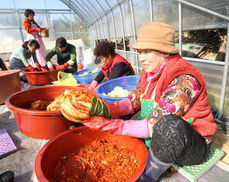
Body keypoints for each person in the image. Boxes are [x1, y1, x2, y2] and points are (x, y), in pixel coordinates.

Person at [79, 22, 217, 181]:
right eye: (139, 52)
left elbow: (156, 124)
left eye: (147, 51)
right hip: (160, 135)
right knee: (126, 120)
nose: (142, 58)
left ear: (165, 52)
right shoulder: (148, 72)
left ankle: (147, 177)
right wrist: (103, 110)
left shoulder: (185, 80)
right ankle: (155, 159)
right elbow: (132, 101)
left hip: (191, 145)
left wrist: (107, 125)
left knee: (169, 126)